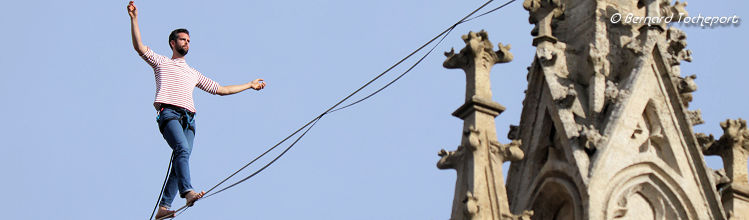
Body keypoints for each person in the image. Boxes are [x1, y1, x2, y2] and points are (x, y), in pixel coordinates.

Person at [127, 1, 267, 218]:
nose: (187, 43)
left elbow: (221, 89)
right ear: (172, 43)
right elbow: (139, 47)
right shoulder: (161, 63)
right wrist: (134, 19)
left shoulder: (193, 73)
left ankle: (163, 208)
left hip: (189, 121)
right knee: (182, 151)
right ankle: (187, 192)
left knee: (181, 157)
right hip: (169, 114)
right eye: (183, 39)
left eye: (189, 41)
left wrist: (249, 85)